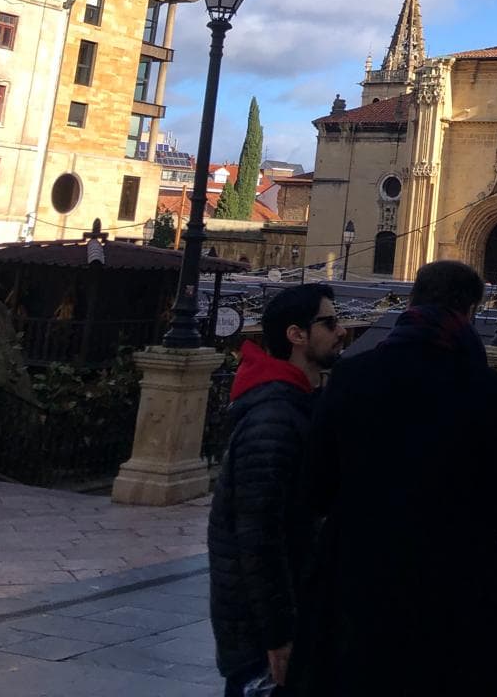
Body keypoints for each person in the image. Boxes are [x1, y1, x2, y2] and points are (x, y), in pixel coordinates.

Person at [305, 260, 497, 695]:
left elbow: (316, 491)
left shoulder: (351, 377)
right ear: (470, 312)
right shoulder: (488, 392)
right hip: (459, 602)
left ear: (410, 301)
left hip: (360, 595)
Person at [208, 283, 346, 697]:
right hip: (263, 642)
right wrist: (278, 635)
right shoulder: (273, 417)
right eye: (330, 322)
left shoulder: (299, 405)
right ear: (296, 335)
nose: (342, 331)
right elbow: (259, 537)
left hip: (292, 621)